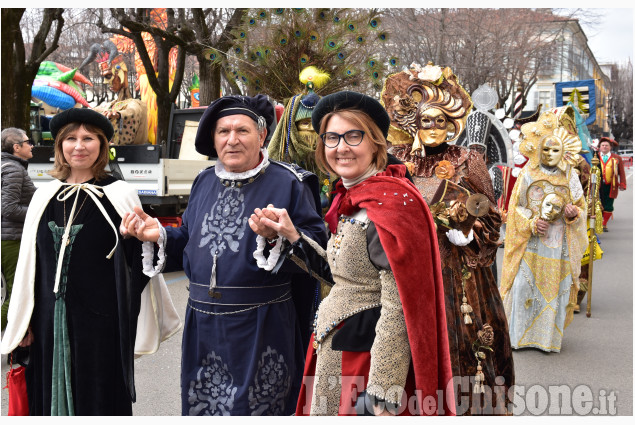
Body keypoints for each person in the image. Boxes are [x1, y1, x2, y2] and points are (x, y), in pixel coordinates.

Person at [122, 94, 328, 416]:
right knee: (205, 407)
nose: (232, 140)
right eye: (223, 132)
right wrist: (158, 235)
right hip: (203, 327)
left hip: (263, 326)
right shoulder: (204, 180)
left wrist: (280, 238)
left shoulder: (291, 182)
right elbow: (190, 243)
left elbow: (318, 251)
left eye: (242, 131)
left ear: (261, 136)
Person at [251, 91, 453, 416]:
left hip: (364, 361)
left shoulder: (391, 204)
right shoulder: (353, 197)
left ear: (375, 142)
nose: (340, 147)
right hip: (336, 349)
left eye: (353, 136)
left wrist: (382, 393)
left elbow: (400, 305)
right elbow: (341, 275)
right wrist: (290, 236)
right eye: (332, 137)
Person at [0, 108, 179, 415]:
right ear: (59, 146)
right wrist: (25, 321)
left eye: (88, 138)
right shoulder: (45, 197)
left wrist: (131, 241)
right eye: (70, 138)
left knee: (98, 401)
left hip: (100, 326)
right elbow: (31, 268)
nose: (79, 146)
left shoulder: (120, 195)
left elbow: (139, 269)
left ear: (102, 146)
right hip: (47, 326)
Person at [381, 63, 514, 414]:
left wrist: (468, 232)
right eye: (427, 121)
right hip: (409, 266)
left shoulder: (467, 159)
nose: (434, 128)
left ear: (452, 124)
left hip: (458, 272)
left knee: (461, 345)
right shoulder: (397, 159)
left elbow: (490, 212)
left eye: (441, 121)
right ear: (414, 124)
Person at [500, 110, 588, 353]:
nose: (549, 154)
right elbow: (515, 207)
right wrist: (530, 222)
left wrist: (573, 214)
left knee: (553, 290)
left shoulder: (570, 176)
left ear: (564, 152)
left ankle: (546, 340)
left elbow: (581, 208)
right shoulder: (528, 173)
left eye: (555, 150)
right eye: (546, 149)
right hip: (529, 244)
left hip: (557, 245)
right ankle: (519, 336)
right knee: (522, 286)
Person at [1, 128, 36, 333]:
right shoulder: (14, 170)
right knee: (16, 295)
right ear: (16, 147)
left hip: (6, 238)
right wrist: (39, 210)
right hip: (11, 239)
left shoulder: (5, 166)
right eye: (28, 142)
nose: (31, 145)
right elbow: (9, 209)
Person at [596, 137, 626, 231]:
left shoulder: (617, 158)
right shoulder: (595, 157)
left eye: (606, 145)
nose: (604, 147)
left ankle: (604, 224)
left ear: (610, 147)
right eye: (603, 145)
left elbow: (621, 172)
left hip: (611, 185)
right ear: (600, 147)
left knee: (609, 205)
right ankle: (600, 222)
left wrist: (622, 183)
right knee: (598, 204)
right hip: (598, 185)